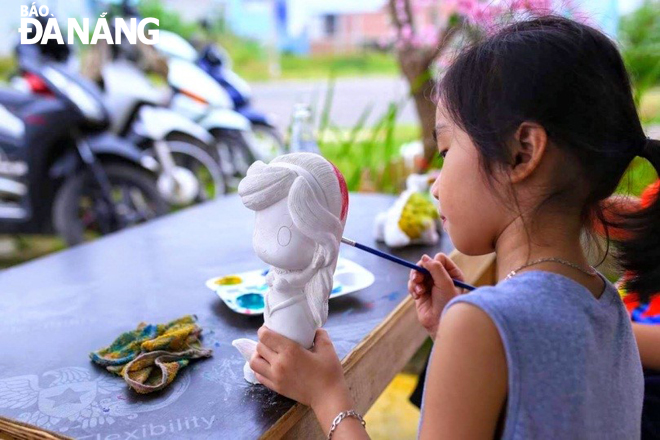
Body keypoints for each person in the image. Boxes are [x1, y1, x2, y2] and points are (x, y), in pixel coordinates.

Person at [247, 15, 660, 439]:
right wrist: (459, 335)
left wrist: (328, 395)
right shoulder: (605, 303)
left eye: (445, 151)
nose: (438, 185)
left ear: (522, 152)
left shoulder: (482, 326)